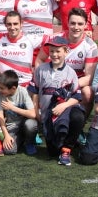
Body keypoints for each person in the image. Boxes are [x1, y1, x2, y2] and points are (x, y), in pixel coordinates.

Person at [32, 36, 84, 166]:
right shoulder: (41, 69)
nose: (54, 54)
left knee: (78, 116)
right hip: (47, 116)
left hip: (64, 113)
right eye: (51, 51)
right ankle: (64, 143)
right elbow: (34, 91)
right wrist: (36, 109)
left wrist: (64, 105)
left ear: (66, 51)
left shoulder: (71, 73)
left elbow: (77, 97)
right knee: (52, 152)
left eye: (58, 51)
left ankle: (67, 148)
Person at [0, 69, 38, 156]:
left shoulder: (23, 91)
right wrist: (6, 135)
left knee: (31, 124)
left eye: (2, 88)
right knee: (9, 150)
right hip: (11, 129)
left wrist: (13, 108)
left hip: (23, 126)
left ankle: (29, 142)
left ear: (13, 88)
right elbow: (0, 115)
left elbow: (33, 114)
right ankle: (19, 140)